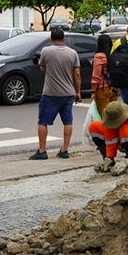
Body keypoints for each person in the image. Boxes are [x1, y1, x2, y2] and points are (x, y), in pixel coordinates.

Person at [29, 28, 81, 160]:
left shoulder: (46, 51)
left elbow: (42, 67)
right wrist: (77, 92)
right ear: (64, 39)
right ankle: (65, 149)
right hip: (68, 93)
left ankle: (42, 150)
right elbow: (77, 74)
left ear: (50, 39)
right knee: (67, 121)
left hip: (50, 93)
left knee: (43, 121)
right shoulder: (73, 53)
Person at [88, 101, 128, 168]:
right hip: (122, 136)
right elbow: (110, 139)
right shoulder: (111, 117)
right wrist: (109, 157)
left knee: (125, 128)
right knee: (94, 126)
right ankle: (109, 162)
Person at [90, 34, 119, 113]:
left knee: (103, 116)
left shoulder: (99, 56)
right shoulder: (114, 54)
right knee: (114, 115)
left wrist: (93, 91)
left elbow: (96, 76)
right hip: (114, 88)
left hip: (103, 88)